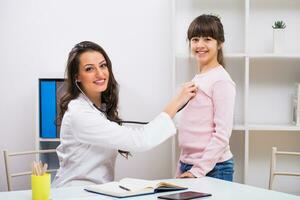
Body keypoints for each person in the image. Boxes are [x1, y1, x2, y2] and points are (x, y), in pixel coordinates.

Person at [52, 41, 197, 187]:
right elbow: (140, 140)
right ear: (77, 77)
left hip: (97, 190)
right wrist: (177, 101)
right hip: (75, 191)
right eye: (89, 69)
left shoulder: (98, 109)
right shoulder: (79, 114)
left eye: (103, 65)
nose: (100, 73)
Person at [176, 14, 236, 181]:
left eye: (207, 39)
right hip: (189, 165)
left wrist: (197, 171)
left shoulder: (221, 80)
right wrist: (181, 167)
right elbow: (191, 129)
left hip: (214, 168)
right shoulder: (198, 78)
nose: (199, 45)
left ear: (220, 43)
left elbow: (222, 135)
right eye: (195, 39)